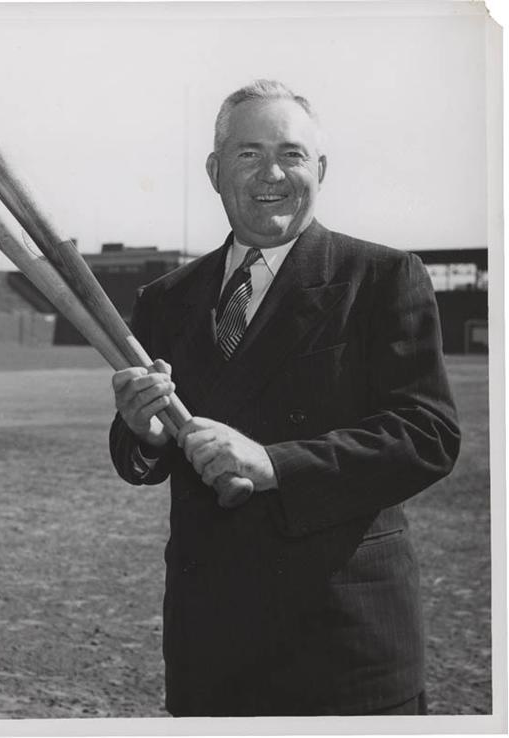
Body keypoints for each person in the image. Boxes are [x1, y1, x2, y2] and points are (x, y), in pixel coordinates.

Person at [109, 79, 460, 717]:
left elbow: (427, 434)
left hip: (341, 643)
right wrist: (145, 430)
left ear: (319, 169)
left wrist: (275, 465)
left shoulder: (381, 277)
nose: (272, 172)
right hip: (211, 646)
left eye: (291, 154)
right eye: (248, 154)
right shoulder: (165, 299)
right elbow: (140, 456)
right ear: (215, 171)